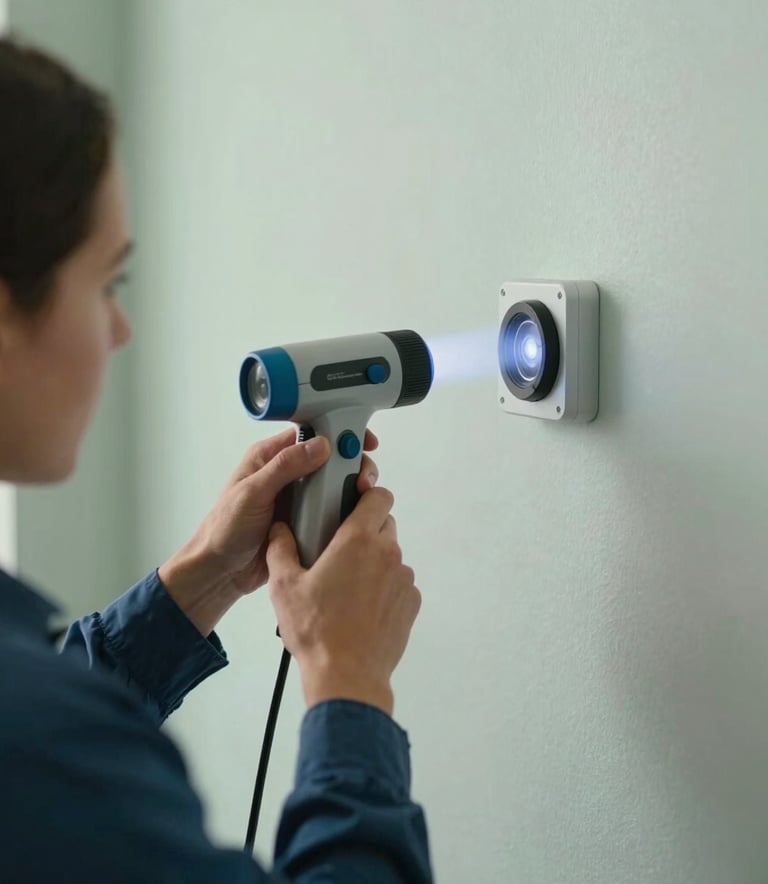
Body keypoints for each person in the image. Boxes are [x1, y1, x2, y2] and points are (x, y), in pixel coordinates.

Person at [0, 36, 433, 883]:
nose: (120, 331)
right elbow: (42, 741)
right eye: (107, 284)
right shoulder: (39, 747)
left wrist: (199, 582)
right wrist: (349, 681)